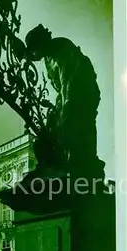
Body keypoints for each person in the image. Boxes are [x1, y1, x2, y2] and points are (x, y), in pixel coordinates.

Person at [25, 24, 104, 178]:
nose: (35, 54)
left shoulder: (62, 48)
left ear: (42, 44)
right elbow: (61, 88)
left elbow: (69, 83)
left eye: (35, 49)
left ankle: (81, 166)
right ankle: (56, 164)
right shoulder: (48, 56)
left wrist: (65, 111)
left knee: (77, 128)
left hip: (83, 95)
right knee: (53, 128)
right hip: (66, 95)